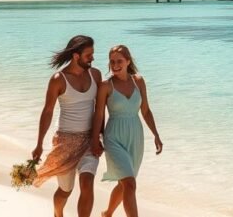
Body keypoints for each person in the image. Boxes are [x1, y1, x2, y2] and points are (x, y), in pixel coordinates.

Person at [33, 35, 104, 217]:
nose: (93, 58)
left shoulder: (95, 74)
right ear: (76, 56)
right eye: (89, 55)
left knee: (87, 184)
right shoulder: (58, 79)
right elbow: (47, 112)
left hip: (89, 139)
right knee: (66, 189)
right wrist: (39, 144)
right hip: (65, 141)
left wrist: (98, 137)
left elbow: (100, 109)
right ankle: (58, 214)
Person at [91, 45, 162, 217]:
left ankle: (107, 213)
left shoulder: (139, 81)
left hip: (135, 137)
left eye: (119, 61)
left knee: (126, 183)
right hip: (114, 137)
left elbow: (145, 110)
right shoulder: (106, 86)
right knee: (130, 183)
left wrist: (156, 134)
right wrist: (95, 141)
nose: (115, 65)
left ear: (128, 61)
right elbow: (99, 114)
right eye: (112, 61)